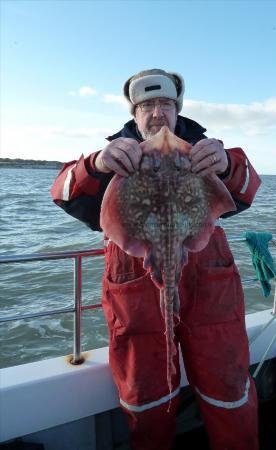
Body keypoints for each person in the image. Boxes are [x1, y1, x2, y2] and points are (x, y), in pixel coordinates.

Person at [51, 69, 261, 450]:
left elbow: (247, 190)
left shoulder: (203, 151)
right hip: (135, 289)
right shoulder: (115, 156)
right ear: (134, 114)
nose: (157, 113)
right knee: (145, 395)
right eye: (147, 105)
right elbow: (62, 190)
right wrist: (96, 164)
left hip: (209, 290)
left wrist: (226, 164)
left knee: (228, 386)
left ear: (177, 109)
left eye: (165, 103)